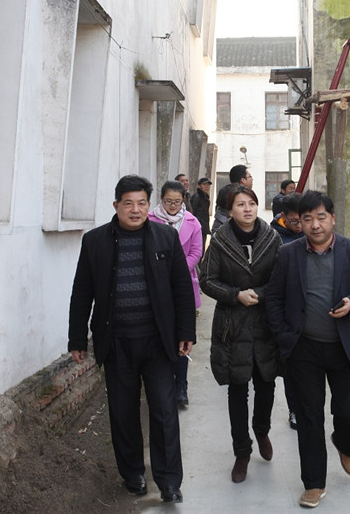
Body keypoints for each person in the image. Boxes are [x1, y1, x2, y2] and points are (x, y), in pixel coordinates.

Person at [68, 174, 196, 504]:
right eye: (128, 203)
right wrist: (77, 338)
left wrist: (186, 332)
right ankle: (133, 473)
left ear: (148, 206)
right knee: (123, 411)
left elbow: (182, 288)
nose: (135, 210)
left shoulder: (166, 237)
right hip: (117, 342)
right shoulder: (94, 241)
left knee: (164, 411)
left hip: (157, 342)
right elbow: (82, 292)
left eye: (141, 203)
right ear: (116, 205)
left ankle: (169, 481)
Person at [266, 191, 350, 509]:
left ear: (332, 218)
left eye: (321, 217)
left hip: (343, 347)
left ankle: (344, 441)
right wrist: (284, 335)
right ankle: (313, 483)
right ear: (299, 222)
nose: (315, 225)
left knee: (348, 410)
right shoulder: (288, 254)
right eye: (308, 219)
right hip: (303, 348)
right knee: (309, 417)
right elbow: (274, 297)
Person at [199, 186, 282, 484]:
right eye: (240, 204)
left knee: (267, 384)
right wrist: (236, 295)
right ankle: (242, 451)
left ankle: (261, 429)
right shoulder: (221, 241)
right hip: (232, 326)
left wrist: (259, 294)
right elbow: (207, 279)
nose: (247, 209)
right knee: (237, 389)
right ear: (229, 210)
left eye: (251, 203)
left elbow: (281, 277)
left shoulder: (272, 238)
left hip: (264, 323)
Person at [148, 180, 203, 409]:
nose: (172, 206)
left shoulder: (192, 222)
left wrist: (178, 270)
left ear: (183, 201)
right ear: (161, 199)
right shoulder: (149, 220)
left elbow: (197, 252)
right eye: (168, 201)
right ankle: (164, 386)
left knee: (182, 337)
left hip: (183, 286)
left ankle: (181, 386)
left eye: (177, 201)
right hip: (156, 286)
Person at [269, 191, 304, 430]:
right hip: (288, 314)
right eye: (294, 221)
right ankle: (294, 409)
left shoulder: (315, 233)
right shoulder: (274, 238)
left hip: (312, 314)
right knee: (292, 368)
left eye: (304, 220)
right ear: (283, 216)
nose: (300, 226)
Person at [212, 164, 253, 234]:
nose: (252, 179)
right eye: (250, 176)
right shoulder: (238, 194)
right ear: (243, 180)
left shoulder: (224, 191)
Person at [191, 177, 212, 252]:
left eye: (208, 185)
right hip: (199, 227)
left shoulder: (205, 197)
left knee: (202, 250)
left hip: (204, 227)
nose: (207, 187)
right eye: (204, 184)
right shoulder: (197, 197)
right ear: (199, 186)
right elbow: (193, 212)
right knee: (198, 250)